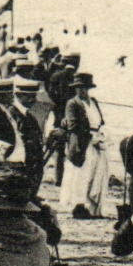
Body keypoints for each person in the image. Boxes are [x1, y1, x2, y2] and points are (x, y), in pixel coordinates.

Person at [57, 72, 107, 218]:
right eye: (79, 88)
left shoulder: (94, 102)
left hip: (96, 142)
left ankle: (91, 206)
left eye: (85, 88)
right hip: (82, 142)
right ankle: (78, 206)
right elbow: (73, 125)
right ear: (75, 88)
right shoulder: (73, 103)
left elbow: (101, 121)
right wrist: (90, 136)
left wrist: (101, 135)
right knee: (80, 175)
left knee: (96, 173)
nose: (82, 91)